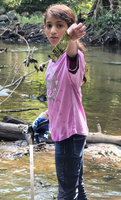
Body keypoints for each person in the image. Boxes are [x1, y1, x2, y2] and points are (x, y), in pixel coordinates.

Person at [33, 4, 89, 200]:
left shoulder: (73, 57)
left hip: (69, 135)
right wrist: (45, 116)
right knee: (76, 188)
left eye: (59, 25)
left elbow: (71, 51)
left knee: (65, 193)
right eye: (49, 25)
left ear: (70, 28)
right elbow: (55, 94)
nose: (53, 30)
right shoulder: (54, 57)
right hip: (66, 131)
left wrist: (70, 37)